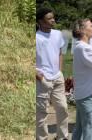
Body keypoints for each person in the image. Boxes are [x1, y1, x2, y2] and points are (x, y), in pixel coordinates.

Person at [65, 14, 92, 140]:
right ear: (82, 30)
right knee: (90, 127)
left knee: (81, 126)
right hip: (85, 95)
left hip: (84, 93)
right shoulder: (83, 48)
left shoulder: (81, 46)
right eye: (91, 26)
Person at [35, 10, 72, 139]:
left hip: (57, 77)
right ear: (40, 21)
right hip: (42, 80)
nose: (53, 20)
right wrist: (39, 76)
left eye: (53, 18)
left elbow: (59, 53)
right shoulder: (36, 37)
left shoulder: (57, 34)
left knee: (63, 108)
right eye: (49, 18)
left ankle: (62, 136)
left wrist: (60, 72)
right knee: (41, 113)